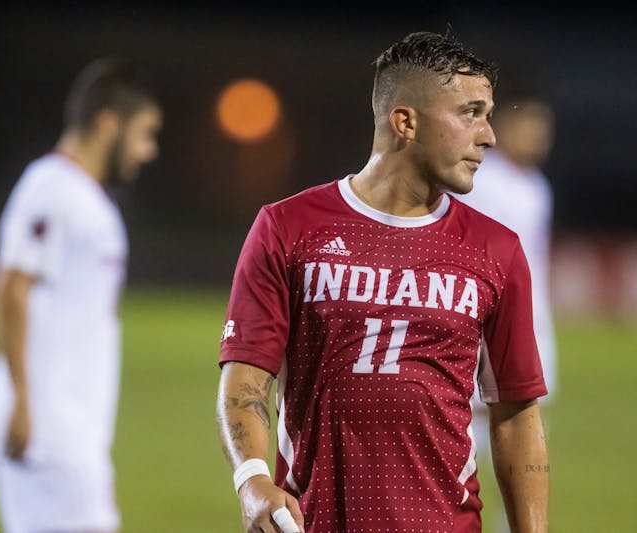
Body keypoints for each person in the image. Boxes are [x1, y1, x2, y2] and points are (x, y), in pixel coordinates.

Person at [216, 30, 549, 533]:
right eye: (470, 113)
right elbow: (244, 380)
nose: (489, 135)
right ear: (406, 122)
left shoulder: (496, 249)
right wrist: (252, 479)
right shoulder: (288, 228)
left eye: (488, 114)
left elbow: (516, 417)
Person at [0, 58, 162, 533]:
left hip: (74, 433)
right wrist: (23, 401)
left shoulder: (88, 198)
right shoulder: (50, 186)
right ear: (108, 123)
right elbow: (10, 286)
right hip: (47, 427)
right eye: (144, 133)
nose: (148, 151)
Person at [455, 95, 558, 462]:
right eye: (531, 128)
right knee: (479, 413)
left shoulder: (536, 185)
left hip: (534, 310)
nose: (538, 138)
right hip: (492, 308)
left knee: (528, 411)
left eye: (543, 131)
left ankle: (509, 517)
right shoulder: (483, 179)